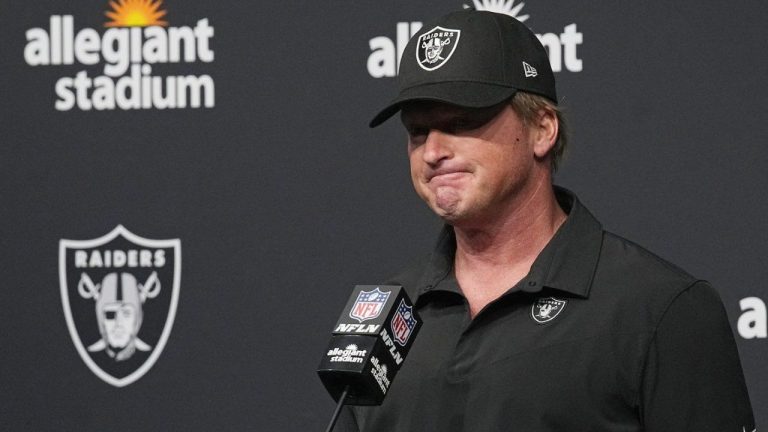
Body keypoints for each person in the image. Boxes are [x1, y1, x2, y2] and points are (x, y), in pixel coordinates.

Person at [337, 9, 755, 432]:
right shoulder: (385, 315)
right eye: (418, 131)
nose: (433, 151)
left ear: (542, 129)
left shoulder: (660, 309)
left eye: (462, 122)